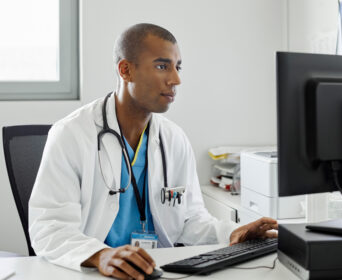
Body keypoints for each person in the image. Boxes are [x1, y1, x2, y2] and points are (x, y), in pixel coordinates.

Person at [28, 23, 278, 280]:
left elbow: (190, 221)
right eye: (162, 66)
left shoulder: (174, 139)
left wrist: (231, 233)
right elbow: (48, 228)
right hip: (94, 272)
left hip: (155, 271)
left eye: (177, 67)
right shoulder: (72, 134)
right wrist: (100, 255)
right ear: (125, 70)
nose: (176, 79)